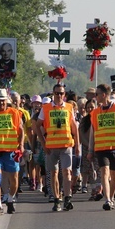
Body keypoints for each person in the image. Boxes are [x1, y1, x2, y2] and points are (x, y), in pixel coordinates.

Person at [38, 83, 80, 212]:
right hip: (51, 146)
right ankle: (57, 199)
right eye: (57, 93)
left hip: (66, 144)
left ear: (64, 94)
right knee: (53, 173)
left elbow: (74, 127)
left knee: (67, 172)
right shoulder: (45, 108)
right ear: (53, 94)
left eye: (61, 93)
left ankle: (67, 198)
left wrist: (77, 145)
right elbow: (37, 126)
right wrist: (43, 143)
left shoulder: (69, 107)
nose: (59, 96)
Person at [88, 83, 115, 211]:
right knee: (105, 172)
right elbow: (93, 133)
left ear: (104, 95)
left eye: (97, 94)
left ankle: (111, 198)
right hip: (101, 149)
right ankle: (107, 199)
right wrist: (90, 150)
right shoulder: (95, 113)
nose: (95, 97)